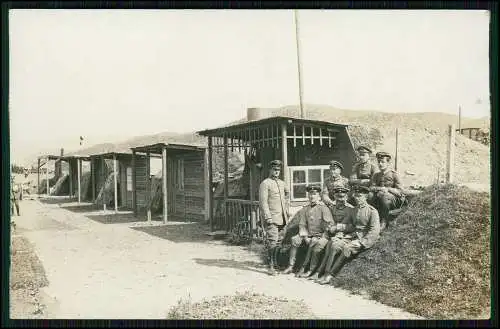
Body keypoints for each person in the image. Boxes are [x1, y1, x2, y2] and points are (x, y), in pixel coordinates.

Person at [317, 185, 380, 285]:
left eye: (360, 196)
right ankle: (326, 272)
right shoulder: (354, 210)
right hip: (352, 235)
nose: (357, 198)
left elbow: (374, 231)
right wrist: (339, 233)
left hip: (363, 238)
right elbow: (347, 225)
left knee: (347, 248)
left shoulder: (372, 211)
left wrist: (363, 243)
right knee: (335, 245)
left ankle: (331, 275)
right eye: (356, 196)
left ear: (366, 197)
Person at [282, 185, 334, 277]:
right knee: (294, 239)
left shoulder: (323, 208)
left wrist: (321, 236)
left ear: (319, 196)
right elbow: (302, 224)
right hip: (307, 234)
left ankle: (307, 268)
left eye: (314, 194)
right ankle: (291, 266)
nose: (312, 196)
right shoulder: (305, 208)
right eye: (310, 194)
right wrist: (305, 237)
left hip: (319, 235)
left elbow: (329, 224)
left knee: (314, 242)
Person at [310, 186, 354, 282]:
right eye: (337, 197)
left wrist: (338, 232)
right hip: (329, 233)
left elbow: (351, 226)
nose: (340, 200)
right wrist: (327, 229)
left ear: (346, 197)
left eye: (342, 197)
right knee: (319, 245)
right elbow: (326, 220)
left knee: (331, 247)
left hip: (341, 235)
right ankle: (313, 271)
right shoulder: (331, 207)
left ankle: (323, 272)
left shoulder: (350, 209)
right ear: (334, 197)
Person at [259, 160, 290, 276]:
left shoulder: (282, 183)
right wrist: (268, 217)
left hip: (282, 218)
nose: (276, 172)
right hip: (272, 218)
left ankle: (276, 262)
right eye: (274, 170)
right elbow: (263, 202)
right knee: (272, 241)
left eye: (278, 170)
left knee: (279, 242)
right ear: (270, 170)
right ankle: (271, 265)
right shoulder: (265, 183)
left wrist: (286, 209)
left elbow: (287, 194)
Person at [370, 151, 404, 230]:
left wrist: (388, 189)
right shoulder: (376, 175)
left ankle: (384, 221)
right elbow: (371, 187)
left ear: (388, 163)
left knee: (385, 197)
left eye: (383, 162)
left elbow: (400, 191)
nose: (380, 164)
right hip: (380, 196)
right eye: (379, 162)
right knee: (370, 196)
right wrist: (380, 189)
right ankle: (372, 219)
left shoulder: (394, 174)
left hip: (393, 199)